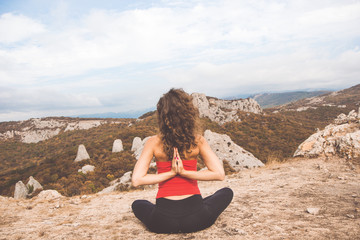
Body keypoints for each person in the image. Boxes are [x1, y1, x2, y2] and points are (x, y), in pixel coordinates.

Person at [131, 88, 233, 233]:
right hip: (197, 219)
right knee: (226, 192)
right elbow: (219, 174)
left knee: (138, 204)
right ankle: (198, 204)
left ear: (162, 116)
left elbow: (136, 180)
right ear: (188, 113)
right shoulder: (198, 141)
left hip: (163, 222)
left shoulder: (153, 142)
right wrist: (184, 172)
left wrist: (171, 173)